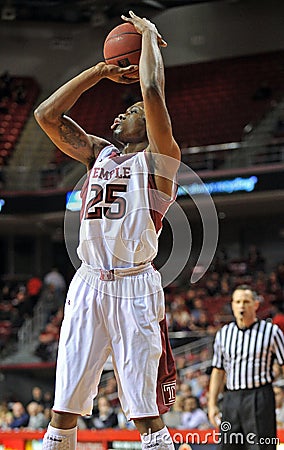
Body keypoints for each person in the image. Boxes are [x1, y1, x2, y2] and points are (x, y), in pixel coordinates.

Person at [34, 10, 180, 450]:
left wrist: (149, 38)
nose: (122, 114)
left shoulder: (160, 162)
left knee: (145, 414)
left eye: (132, 111)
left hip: (134, 285)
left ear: (148, 124)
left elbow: (152, 89)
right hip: (89, 280)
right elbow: (46, 114)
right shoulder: (99, 153)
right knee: (63, 408)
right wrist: (98, 73)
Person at [208, 285, 284, 449]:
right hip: (231, 398)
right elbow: (218, 370)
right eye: (238, 301)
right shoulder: (224, 333)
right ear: (232, 304)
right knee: (228, 446)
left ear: (255, 305)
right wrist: (212, 403)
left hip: (260, 396)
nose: (242, 306)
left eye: (246, 301)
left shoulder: (271, 332)